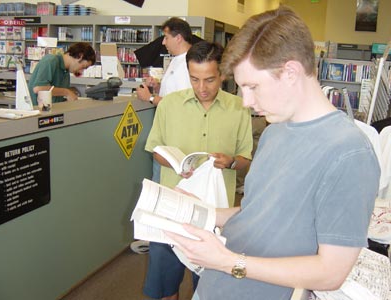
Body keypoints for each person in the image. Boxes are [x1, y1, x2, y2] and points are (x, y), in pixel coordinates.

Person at [166, 6, 381, 300]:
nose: (245, 102)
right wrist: (203, 213)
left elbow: (331, 272)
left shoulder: (349, 152)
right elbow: (260, 214)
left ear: (291, 72)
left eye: (253, 86)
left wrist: (229, 262)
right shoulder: (275, 129)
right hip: (215, 287)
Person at [143, 40, 253, 300]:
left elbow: (246, 159)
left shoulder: (239, 108)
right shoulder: (169, 105)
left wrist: (232, 162)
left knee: (207, 289)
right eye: (194, 79)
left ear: (223, 75)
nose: (201, 88)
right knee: (165, 288)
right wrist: (176, 163)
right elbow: (155, 150)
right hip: (172, 212)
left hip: (214, 217)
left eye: (210, 80)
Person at [136, 17, 193, 106]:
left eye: (166, 38)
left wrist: (150, 97)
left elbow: (181, 103)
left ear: (178, 38)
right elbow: (171, 94)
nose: (163, 42)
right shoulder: (177, 59)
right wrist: (158, 87)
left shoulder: (188, 63)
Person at [28, 42, 96, 105]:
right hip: (37, 113)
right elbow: (38, 89)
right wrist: (66, 92)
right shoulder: (50, 61)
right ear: (80, 56)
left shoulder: (66, 72)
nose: (81, 72)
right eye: (83, 67)